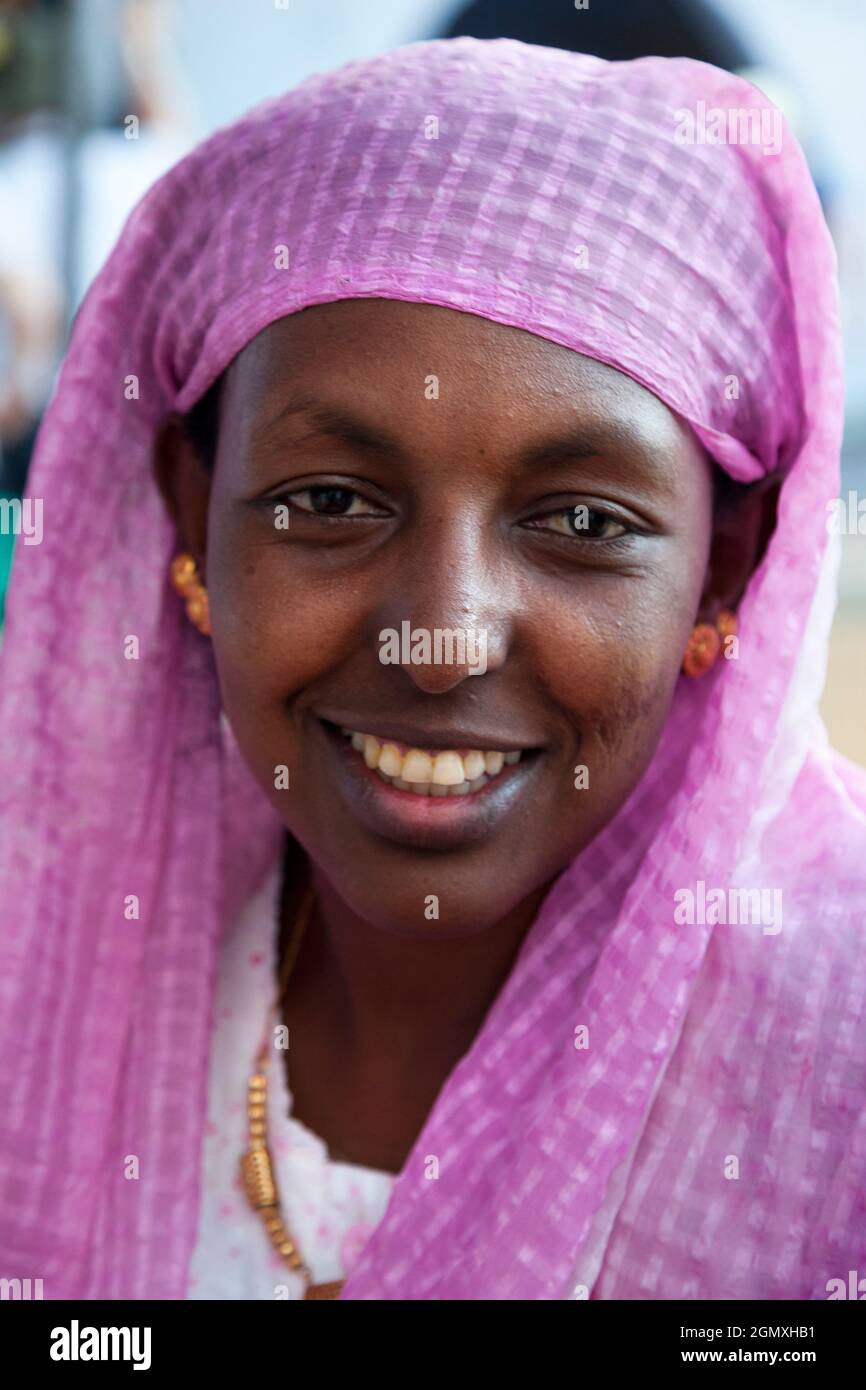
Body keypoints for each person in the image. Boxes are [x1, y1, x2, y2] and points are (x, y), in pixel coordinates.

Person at [0, 37, 864, 1302]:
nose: (443, 637)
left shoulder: (834, 1061)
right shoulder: (43, 941)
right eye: (333, 499)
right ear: (191, 515)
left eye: (580, 523)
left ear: (724, 564)